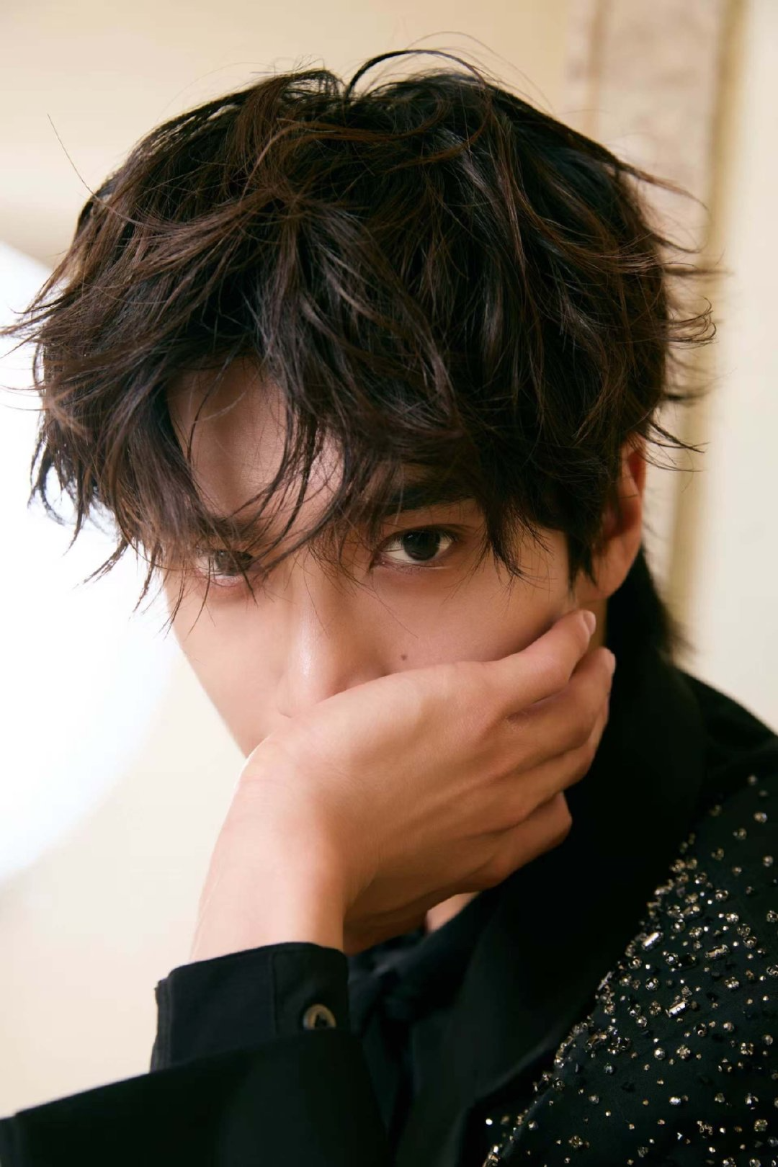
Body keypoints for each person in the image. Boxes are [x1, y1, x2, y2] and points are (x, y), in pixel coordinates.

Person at [0, 48, 776, 1167]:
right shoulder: (342, 885)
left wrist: (276, 877)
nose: (319, 688)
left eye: (417, 544)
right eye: (226, 559)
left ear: (608, 516)